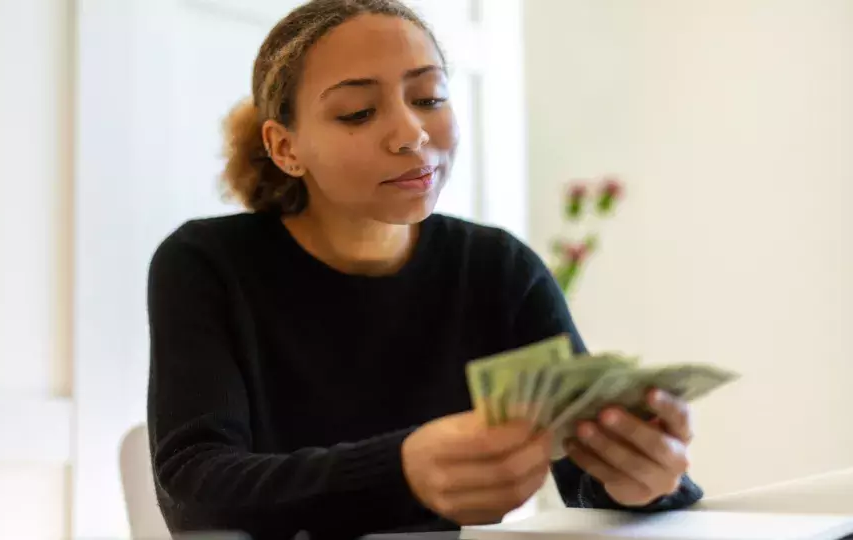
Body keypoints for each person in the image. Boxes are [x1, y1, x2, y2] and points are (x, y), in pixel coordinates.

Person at [146, 1, 703, 539]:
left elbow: (585, 480)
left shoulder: (496, 269)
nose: (411, 133)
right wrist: (402, 469)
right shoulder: (207, 265)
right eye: (358, 112)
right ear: (285, 147)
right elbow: (195, 495)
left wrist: (645, 482)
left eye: (429, 97)